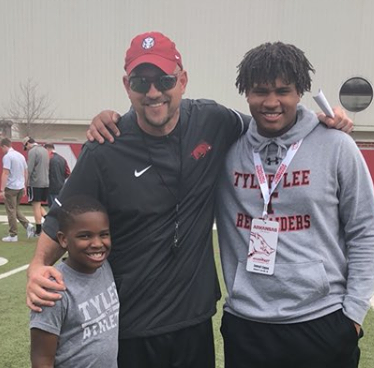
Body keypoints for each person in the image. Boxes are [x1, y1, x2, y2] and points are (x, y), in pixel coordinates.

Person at [26, 32, 352, 368]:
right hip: (130, 326)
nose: (153, 92)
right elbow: (59, 218)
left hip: (195, 323)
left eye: (164, 80)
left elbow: (272, 123)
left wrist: (324, 120)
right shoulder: (106, 145)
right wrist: (37, 267)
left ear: (182, 80)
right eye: (141, 82)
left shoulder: (214, 121)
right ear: (127, 86)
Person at [215, 42, 374, 368]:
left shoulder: (336, 146)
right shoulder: (228, 150)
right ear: (246, 93)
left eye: (283, 91)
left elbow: (365, 228)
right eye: (260, 91)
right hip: (247, 324)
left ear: (300, 91)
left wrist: (354, 313)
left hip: (321, 320)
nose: (271, 102)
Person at [30, 195, 119, 368]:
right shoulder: (52, 288)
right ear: (63, 239)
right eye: (85, 236)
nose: (97, 243)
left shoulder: (105, 266)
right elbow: (41, 358)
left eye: (104, 234)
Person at [0, 137, 35, 241]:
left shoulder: (8, 157)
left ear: (4, 146)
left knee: (10, 211)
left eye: (1, 148)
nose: (2, 150)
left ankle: (13, 235)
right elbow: (25, 171)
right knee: (15, 209)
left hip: (11, 187)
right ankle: (28, 226)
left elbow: (5, 173)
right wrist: (24, 185)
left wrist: (2, 189)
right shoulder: (20, 155)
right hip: (19, 186)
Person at [23, 136, 49, 236]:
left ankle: (38, 230)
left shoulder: (33, 152)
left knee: (35, 206)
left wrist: (25, 182)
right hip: (45, 181)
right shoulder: (44, 150)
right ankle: (49, 220)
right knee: (38, 205)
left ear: (28, 143)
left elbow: (29, 169)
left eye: (26, 147)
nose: (27, 149)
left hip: (35, 182)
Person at [44, 143, 71, 208]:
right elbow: (68, 173)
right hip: (61, 186)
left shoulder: (48, 158)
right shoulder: (62, 159)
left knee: (52, 207)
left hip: (51, 187)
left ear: (47, 149)